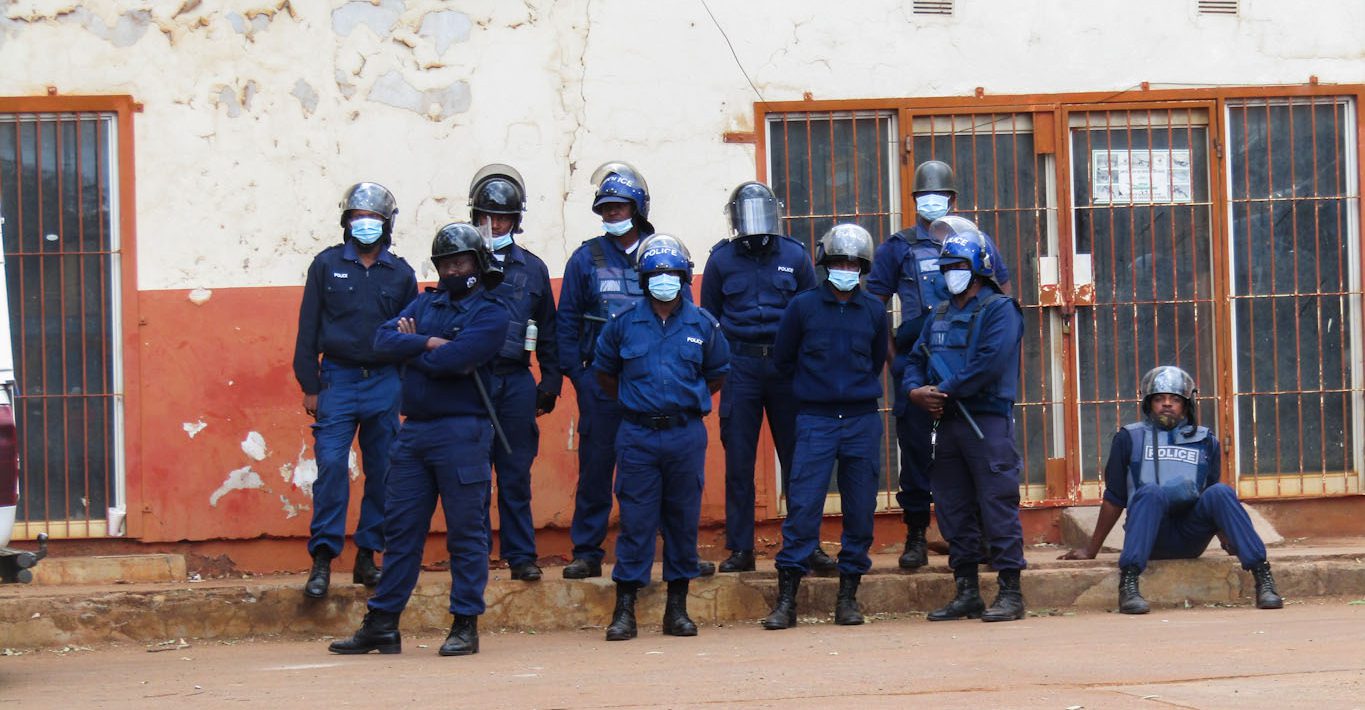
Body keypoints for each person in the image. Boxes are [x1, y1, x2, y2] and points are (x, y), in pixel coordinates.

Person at [329, 223, 508, 657]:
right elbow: (382, 339)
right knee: (401, 530)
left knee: (466, 532)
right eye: (445, 264)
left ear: (478, 263)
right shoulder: (427, 302)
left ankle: (465, 623)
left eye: (460, 262)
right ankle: (382, 624)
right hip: (415, 431)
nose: (452, 271)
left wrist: (412, 349)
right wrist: (426, 342)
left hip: (463, 432)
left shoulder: (492, 312)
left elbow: (458, 359)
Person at [556, 162, 714, 579]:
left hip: (657, 385)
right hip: (602, 383)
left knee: (672, 477)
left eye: (620, 206)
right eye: (605, 208)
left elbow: (687, 316)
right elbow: (566, 321)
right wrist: (580, 377)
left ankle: (680, 554)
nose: (612, 213)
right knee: (596, 467)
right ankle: (587, 551)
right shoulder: (585, 258)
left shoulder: (664, 253)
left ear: (638, 208)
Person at [866, 160, 1010, 570]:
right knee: (916, 451)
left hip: (967, 361)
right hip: (919, 359)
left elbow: (1002, 296)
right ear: (914, 200)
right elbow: (874, 309)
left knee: (974, 449)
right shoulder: (897, 247)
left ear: (953, 199)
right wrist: (896, 364)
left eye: (939, 196)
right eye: (923, 196)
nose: (931, 202)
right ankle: (916, 534)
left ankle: (981, 535)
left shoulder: (977, 241)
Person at [1059, 366, 1284, 613]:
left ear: (1186, 405)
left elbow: (1211, 497)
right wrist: (1091, 549)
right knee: (1150, 492)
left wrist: (1227, 539)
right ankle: (1129, 584)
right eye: (1159, 398)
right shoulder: (1129, 438)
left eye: (1174, 399)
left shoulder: (1206, 440)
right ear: (1148, 403)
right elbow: (1115, 498)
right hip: (1150, 536)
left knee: (1221, 491)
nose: (1167, 404)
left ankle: (1263, 578)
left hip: (1191, 535)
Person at [594, 234, 730, 640]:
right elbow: (605, 374)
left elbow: (716, 374)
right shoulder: (623, 324)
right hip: (637, 434)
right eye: (656, 274)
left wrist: (681, 404)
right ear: (644, 279)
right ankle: (625, 612)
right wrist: (639, 404)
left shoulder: (703, 324)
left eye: (672, 273)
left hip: (684, 434)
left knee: (682, 521)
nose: (664, 280)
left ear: (685, 277)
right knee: (635, 522)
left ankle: (677, 610)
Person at [701, 182, 834, 575]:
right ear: (735, 219)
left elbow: (812, 313)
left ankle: (806, 545)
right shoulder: (721, 260)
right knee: (739, 462)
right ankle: (741, 549)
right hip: (739, 367)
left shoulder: (794, 255)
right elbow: (708, 318)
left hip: (786, 367)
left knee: (800, 460)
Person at [293, 182, 417, 599]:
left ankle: (368, 556)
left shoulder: (401, 274)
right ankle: (323, 559)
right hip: (338, 379)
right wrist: (310, 385)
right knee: (331, 465)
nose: (366, 225)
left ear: (387, 224)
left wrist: (405, 386)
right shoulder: (326, 265)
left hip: (385, 381)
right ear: (347, 222)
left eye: (374, 219)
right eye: (359, 218)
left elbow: (411, 334)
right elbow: (308, 328)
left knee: (384, 470)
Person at [762, 224, 888, 630]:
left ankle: (848, 598)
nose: (846, 269)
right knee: (803, 508)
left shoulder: (874, 311)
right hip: (815, 420)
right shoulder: (802, 308)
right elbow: (783, 360)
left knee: (860, 509)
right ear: (824, 264)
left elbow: (876, 360)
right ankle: (787, 602)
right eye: (838, 262)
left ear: (863, 268)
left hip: (861, 420)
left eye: (853, 263)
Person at [904, 222, 1027, 623]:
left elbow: (988, 363)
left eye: (958, 266)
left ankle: (1010, 592)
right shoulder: (938, 313)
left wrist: (942, 390)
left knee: (997, 504)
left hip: (986, 422)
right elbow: (915, 359)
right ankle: (967, 591)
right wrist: (914, 392)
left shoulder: (1000, 310)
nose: (950, 273)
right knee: (952, 507)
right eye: (946, 267)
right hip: (947, 423)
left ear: (978, 269)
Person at [468, 164, 561, 582]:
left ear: (515, 221)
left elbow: (549, 328)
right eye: (488, 217)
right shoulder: (462, 260)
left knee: (516, 471)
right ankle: (472, 556)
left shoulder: (533, 268)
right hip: (472, 380)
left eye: (503, 218)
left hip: (516, 380)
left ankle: (521, 555)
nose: (495, 225)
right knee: (471, 473)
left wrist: (550, 381)